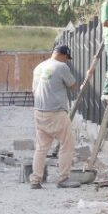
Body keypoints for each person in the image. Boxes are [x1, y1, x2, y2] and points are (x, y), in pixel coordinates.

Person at [30, 45, 80, 189]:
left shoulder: (39, 67)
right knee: (67, 143)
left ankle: (35, 180)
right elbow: (73, 86)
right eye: (67, 58)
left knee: (41, 147)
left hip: (39, 111)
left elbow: (34, 90)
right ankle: (63, 179)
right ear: (64, 55)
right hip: (56, 112)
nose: (67, 61)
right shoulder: (61, 67)